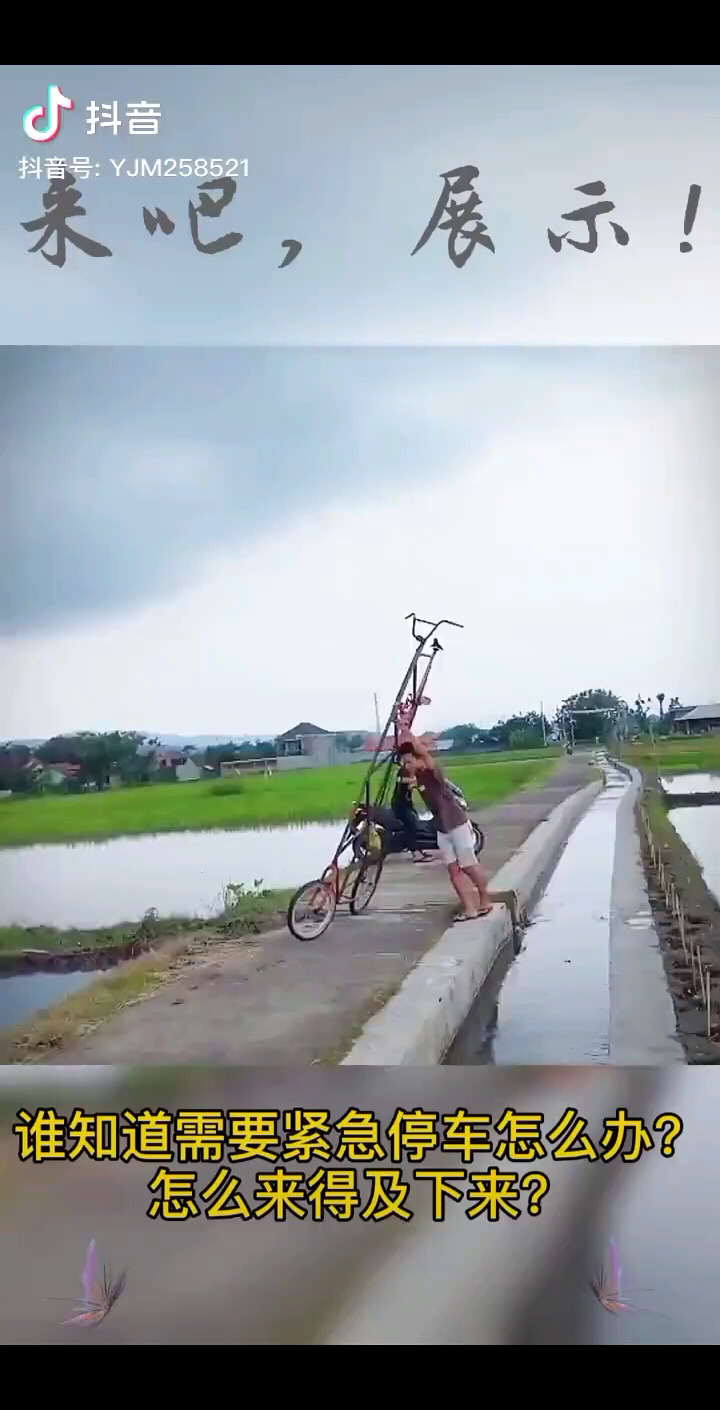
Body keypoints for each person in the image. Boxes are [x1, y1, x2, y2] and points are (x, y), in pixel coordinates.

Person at [397, 731, 493, 921]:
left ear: (419, 760)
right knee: (453, 870)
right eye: (404, 763)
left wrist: (409, 733)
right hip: (442, 828)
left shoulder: (433, 772)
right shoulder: (417, 777)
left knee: (469, 866)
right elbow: (403, 777)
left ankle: (485, 899)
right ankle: (469, 908)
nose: (406, 766)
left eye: (409, 762)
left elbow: (423, 752)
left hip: (456, 823)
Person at [393, 768, 431, 863]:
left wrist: (424, 788)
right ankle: (415, 852)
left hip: (407, 805)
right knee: (411, 827)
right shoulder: (403, 772)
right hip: (400, 805)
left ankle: (417, 850)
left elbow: (416, 787)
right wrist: (415, 780)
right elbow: (400, 780)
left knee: (415, 824)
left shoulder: (411, 774)